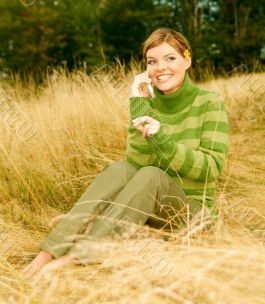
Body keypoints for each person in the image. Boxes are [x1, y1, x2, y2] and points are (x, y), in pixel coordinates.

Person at [22, 27, 229, 277]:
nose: (160, 67)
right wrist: (139, 105)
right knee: (120, 169)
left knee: (152, 175)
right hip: (149, 213)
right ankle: (49, 252)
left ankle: (77, 258)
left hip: (191, 215)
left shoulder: (209, 102)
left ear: (187, 60)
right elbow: (136, 166)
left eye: (170, 58)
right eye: (152, 61)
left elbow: (211, 169)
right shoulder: (147, 104)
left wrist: (162, 139)